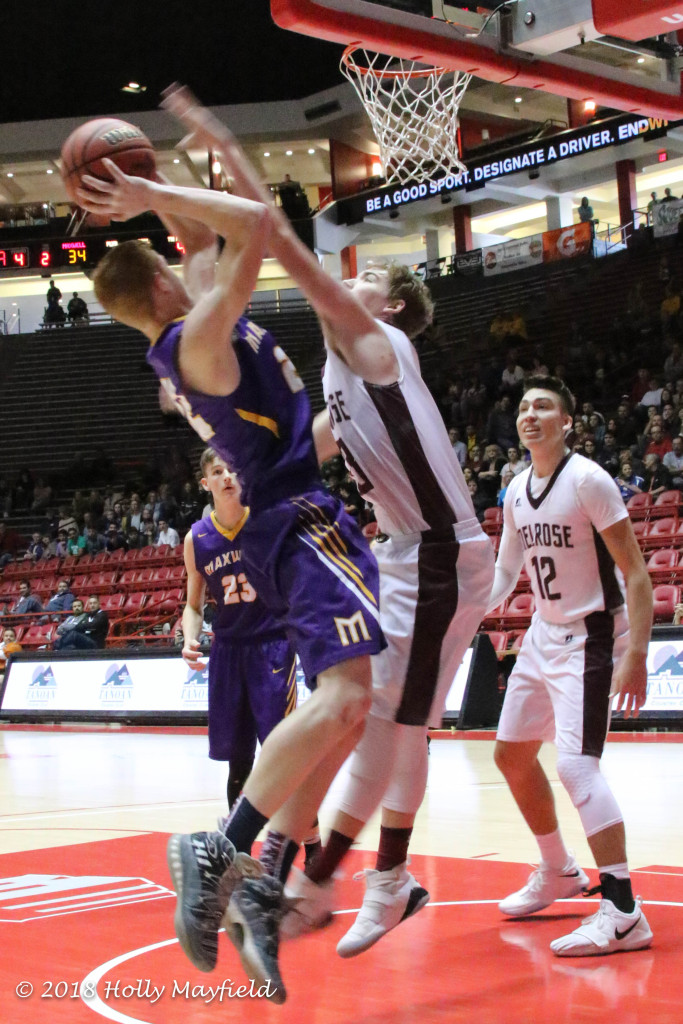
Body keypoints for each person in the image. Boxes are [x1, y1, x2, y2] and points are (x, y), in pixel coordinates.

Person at [160, 87, 494, 960]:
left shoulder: (377, 345)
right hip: (397, 550)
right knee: (350, 710)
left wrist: (219, 149)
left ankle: (333, 883)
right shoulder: (340, 366)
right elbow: (266, 237)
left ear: (386, 307)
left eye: (374, 278)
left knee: (381, 716)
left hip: (442, 558)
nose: (359, 276)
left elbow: (274, 233)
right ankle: (291, 870)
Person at [80, 119, 383, 1005]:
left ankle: (264, 874)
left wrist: (172, 171)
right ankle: (225, 847)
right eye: (176, 262)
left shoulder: (194, 321)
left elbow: (212, 234)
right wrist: (148, 195)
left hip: (295, 522)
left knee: (348, 712)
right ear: (164, 286)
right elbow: (249, 222)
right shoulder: (196, 343)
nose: (186, 262)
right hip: (295, 517)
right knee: (349, 700)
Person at [487, 375, 653, 957]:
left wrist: (636, 654)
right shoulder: (512, 489)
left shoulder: (587, 479)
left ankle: (624, 911)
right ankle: (558, 868)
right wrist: (469, 608)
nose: (531, 414)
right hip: (540, 635)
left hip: (592, 636)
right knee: (510, 753)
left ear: (567, 424)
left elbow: (635, 571)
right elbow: (507, 571)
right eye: (526, 406)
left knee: (578, 767)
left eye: (545, 407)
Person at [184, 449, 315, 829]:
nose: (227, 476)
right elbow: (193, 605)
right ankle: (235, 848)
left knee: (283, 753)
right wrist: (190, 638)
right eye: (217, 471)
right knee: (237, 759)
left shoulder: (266, 523)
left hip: (272, 644)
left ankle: (310, 846)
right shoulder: (198, 538)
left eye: (233, 469)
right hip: (227, 651)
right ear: (205, 482)